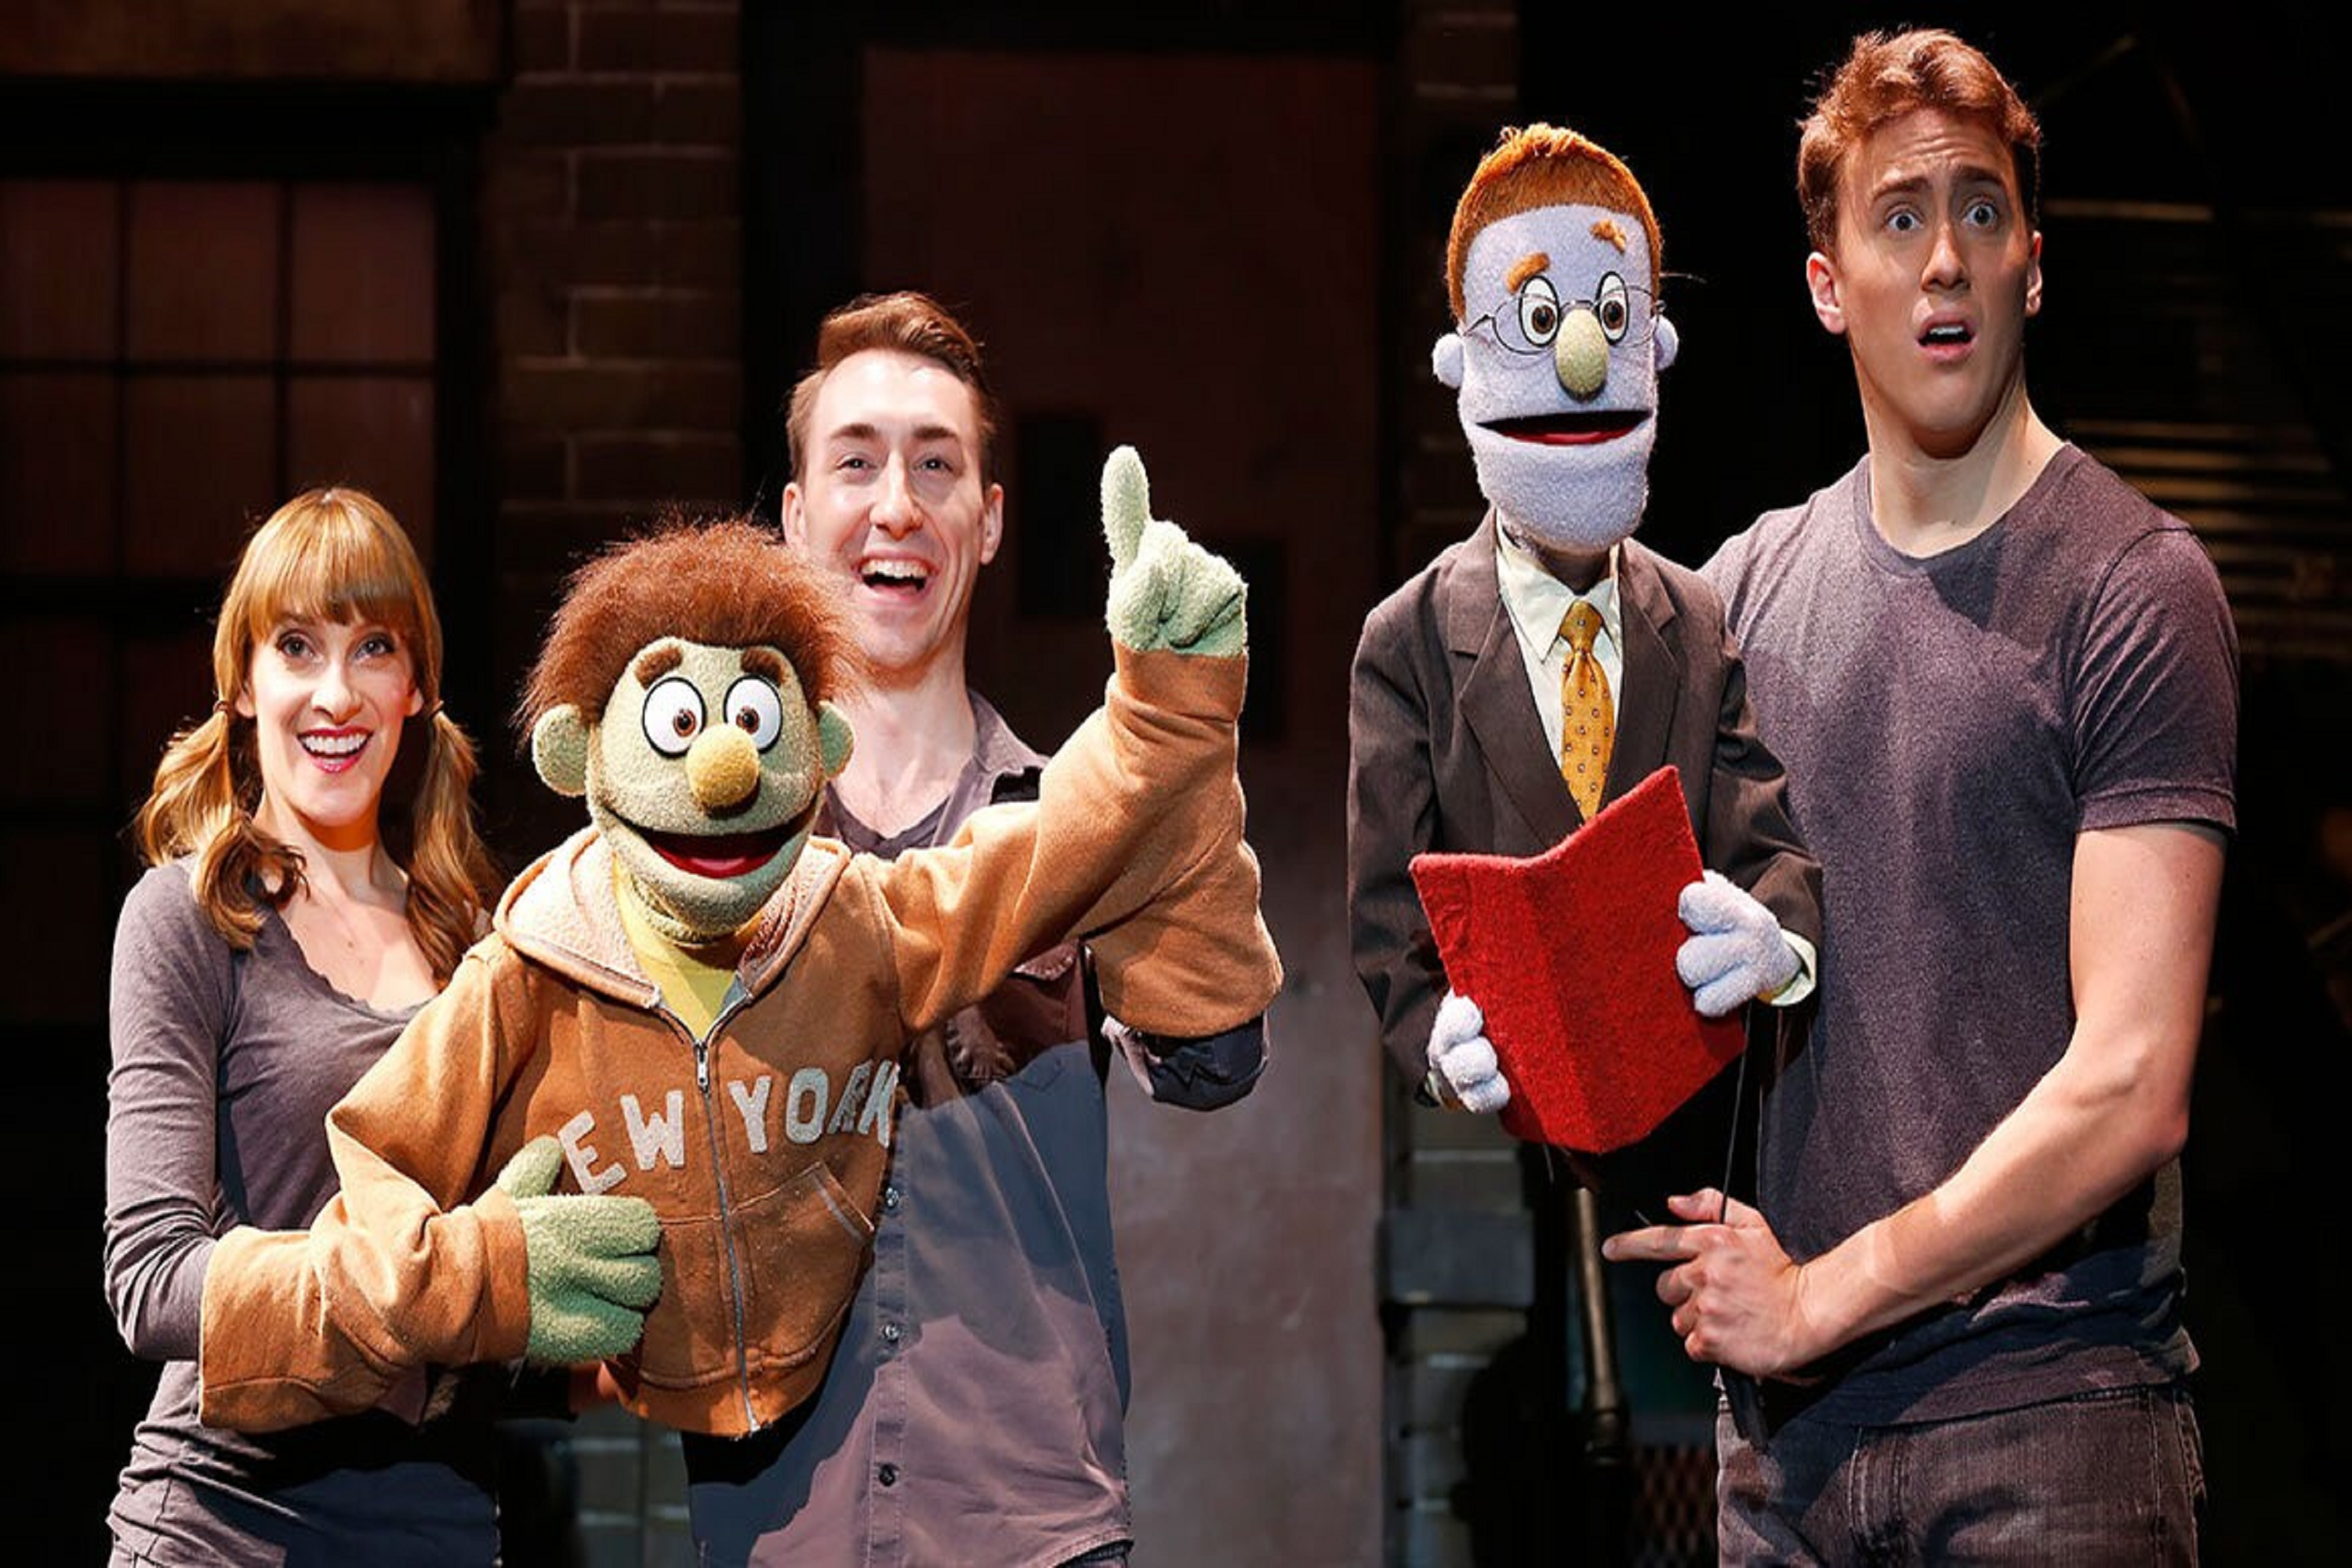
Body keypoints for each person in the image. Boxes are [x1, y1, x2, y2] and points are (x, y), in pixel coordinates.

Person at [1603, 28, 2238, 1562]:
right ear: (1830, 287)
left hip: (2051, 1425)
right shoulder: (1742, 597)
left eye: (1980, 211)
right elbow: (1633, 958)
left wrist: (1820, 1293)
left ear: (2032, 266)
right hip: (1791, 1463)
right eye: (1899, 217)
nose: (1944, 256)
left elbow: (2133, 1081)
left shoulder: (2133, 589)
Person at [684, 291, 1270, 1566]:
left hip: (1034, 1527)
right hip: (780, 1527)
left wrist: (1185, 734)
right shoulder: (708, 854)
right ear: (796, 519)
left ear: (989, 522)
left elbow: (1217, 1061)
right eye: (857, 463)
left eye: (937, 466)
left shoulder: (1078, 821)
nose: (896, 504)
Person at [102, 486, 507, 1563]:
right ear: (242, 683)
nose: (336, 693)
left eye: (374, 648)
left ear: (416, 687)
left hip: (438, 1525)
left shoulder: (483, 945)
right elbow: (149, 1279)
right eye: (296, 647)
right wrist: (414, 1289)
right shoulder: (187, 920)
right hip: (221, 1525)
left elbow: (513, 1286)